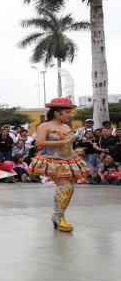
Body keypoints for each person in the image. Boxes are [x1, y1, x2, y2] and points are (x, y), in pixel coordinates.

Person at [28, 98, 91, 232]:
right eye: (67, 112)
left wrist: (75, 151)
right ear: (57, 113)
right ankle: (58, 217)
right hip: (52, 159)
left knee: (69, 189)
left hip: (69, 159)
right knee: (65, 187)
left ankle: (59, 216)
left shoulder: (66, 127)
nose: (70, 115)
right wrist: (63, 142)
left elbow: (68, 144)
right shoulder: (45, 126)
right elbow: (39, 143)